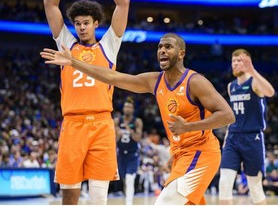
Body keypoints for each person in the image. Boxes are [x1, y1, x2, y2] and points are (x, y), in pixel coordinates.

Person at [40, 33, 235, 205]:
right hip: (181, 155)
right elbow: (112, 77)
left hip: (202, 154)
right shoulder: (154, 81)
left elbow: (228, 115)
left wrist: (189, 127)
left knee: (165, 203)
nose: (162, 51)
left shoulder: (196, 82)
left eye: (168, 46)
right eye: (159, 47)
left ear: (181, 53)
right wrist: (74, 62)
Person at [43, 0, 129, 204]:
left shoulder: (109, 46)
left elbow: (123, 3)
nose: (81, 27)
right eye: (78, 23)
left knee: (99, 198)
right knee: (69, 197)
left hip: (101, 125)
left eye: (86, 23)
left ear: (96, 23)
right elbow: (50, 4)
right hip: (73, 124)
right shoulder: (66, 45)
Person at [218, 49, 275, 205]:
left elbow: (270, 92)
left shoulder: (255, 82)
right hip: (232, 138)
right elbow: (234, 116)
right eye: (233, 61)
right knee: (224, 184)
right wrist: (227, 136)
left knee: (255, 187)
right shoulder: (231, 86)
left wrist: (253, 72)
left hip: (253, 138)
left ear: (248, 63)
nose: (235, 64)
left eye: (239, 61)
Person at [114, 97, 143, 205]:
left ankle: (129, 203)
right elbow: (114, 140)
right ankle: (127, 199)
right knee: (125, 180)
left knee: (130, 180)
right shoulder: (117, 121)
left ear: (133, 109)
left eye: (130, 107)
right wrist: (117, 134)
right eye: (126, 106)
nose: (127, 108)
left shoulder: (137, 121)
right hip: (121, 155)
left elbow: (138, 138)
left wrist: (129, 130)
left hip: (132, 155)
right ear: (123, 108)